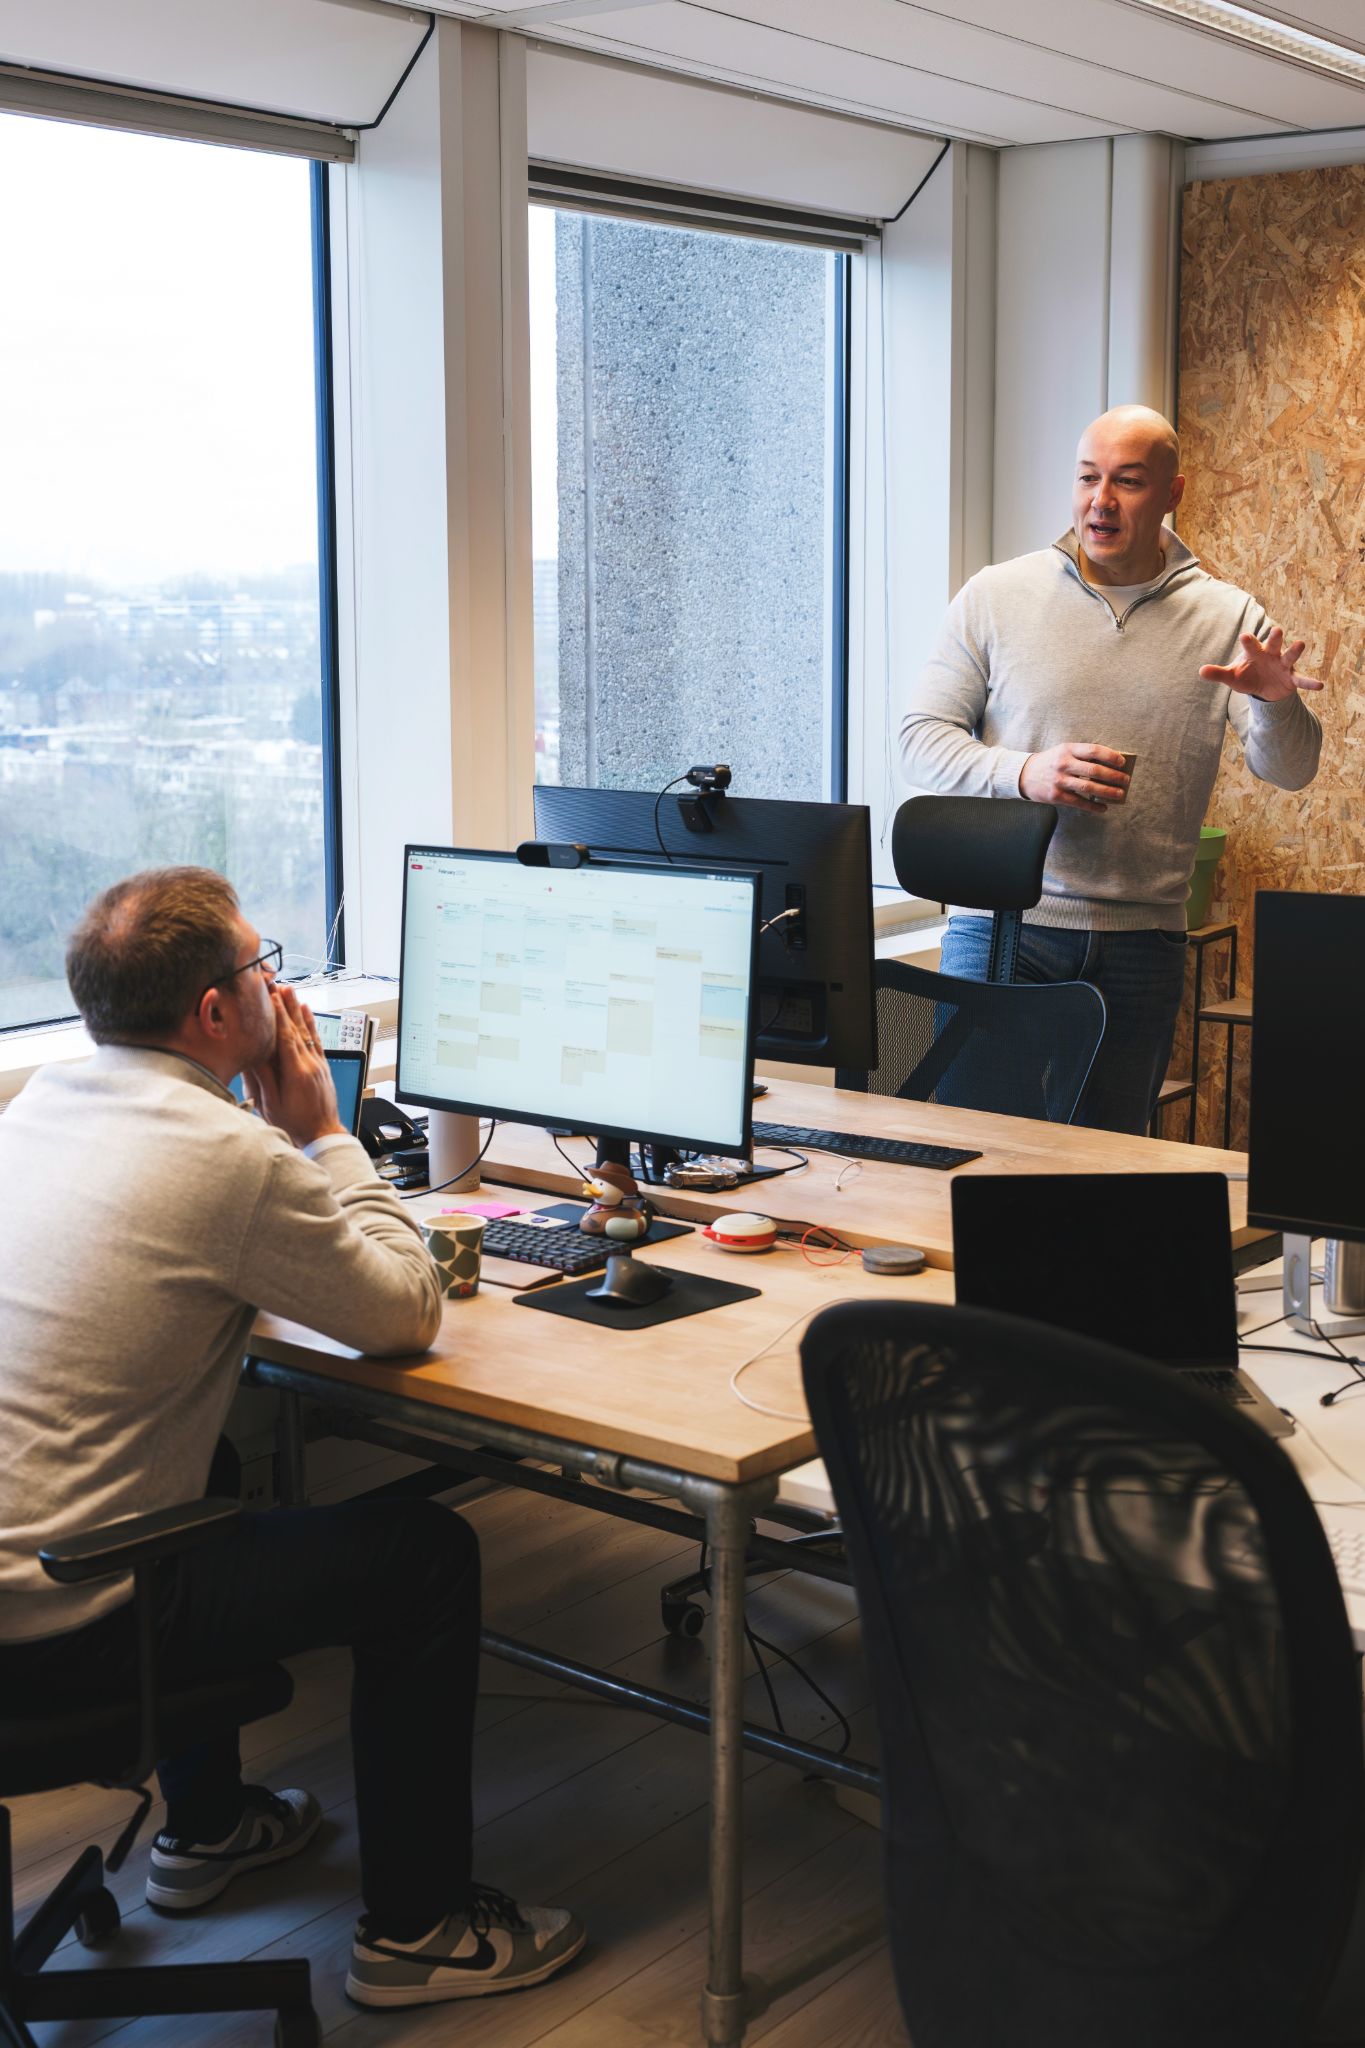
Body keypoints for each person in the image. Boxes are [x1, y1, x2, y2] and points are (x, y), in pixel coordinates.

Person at [0, 867, 584, 2008]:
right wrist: (322, 1130)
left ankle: (208, 1829)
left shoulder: (39, 1109)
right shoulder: (231, 1153)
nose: (285, 985)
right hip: (61, 1620)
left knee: (208, 1462)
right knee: (422, 1554)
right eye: (267, 965)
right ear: (217, 1013)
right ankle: (419, 1931)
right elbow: (402, 1310)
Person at [900, 404, 1323, 1134]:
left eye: (1127, 481)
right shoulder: (998, 596)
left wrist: (1278, 706)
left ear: (1171, 493)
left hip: (1143, 943)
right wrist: (1026, 772)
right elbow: (918, 740)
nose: (1101, 500)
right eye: (1087, 477)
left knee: (1107, 1169)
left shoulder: (1227, 616)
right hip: (1005, 926)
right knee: (973, 1156)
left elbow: (1289, 772)